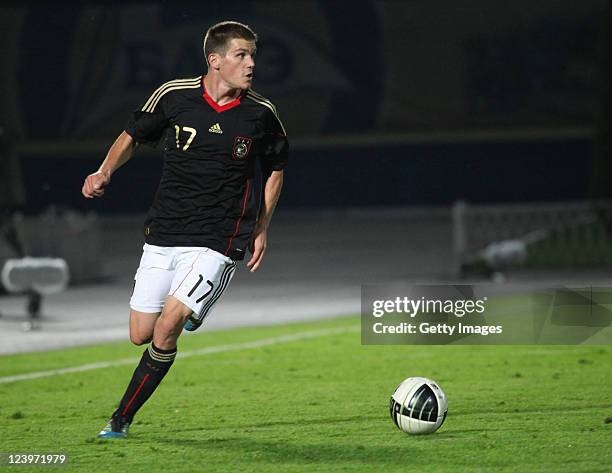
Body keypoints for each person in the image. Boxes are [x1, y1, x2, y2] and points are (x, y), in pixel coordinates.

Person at [81, 20, 288, 439]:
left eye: (252, 56)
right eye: (241, 55)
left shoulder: (261, 113)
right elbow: (131, 136)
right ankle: (196, 306)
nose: (251, 64)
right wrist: (104, 172)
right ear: (215, 60)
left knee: (167, 326)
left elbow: (276, 169)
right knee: (140, 334)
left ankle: (120, 419)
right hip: (166, 230)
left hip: (220, 237)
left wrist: (261, 228)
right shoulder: (174, 96)